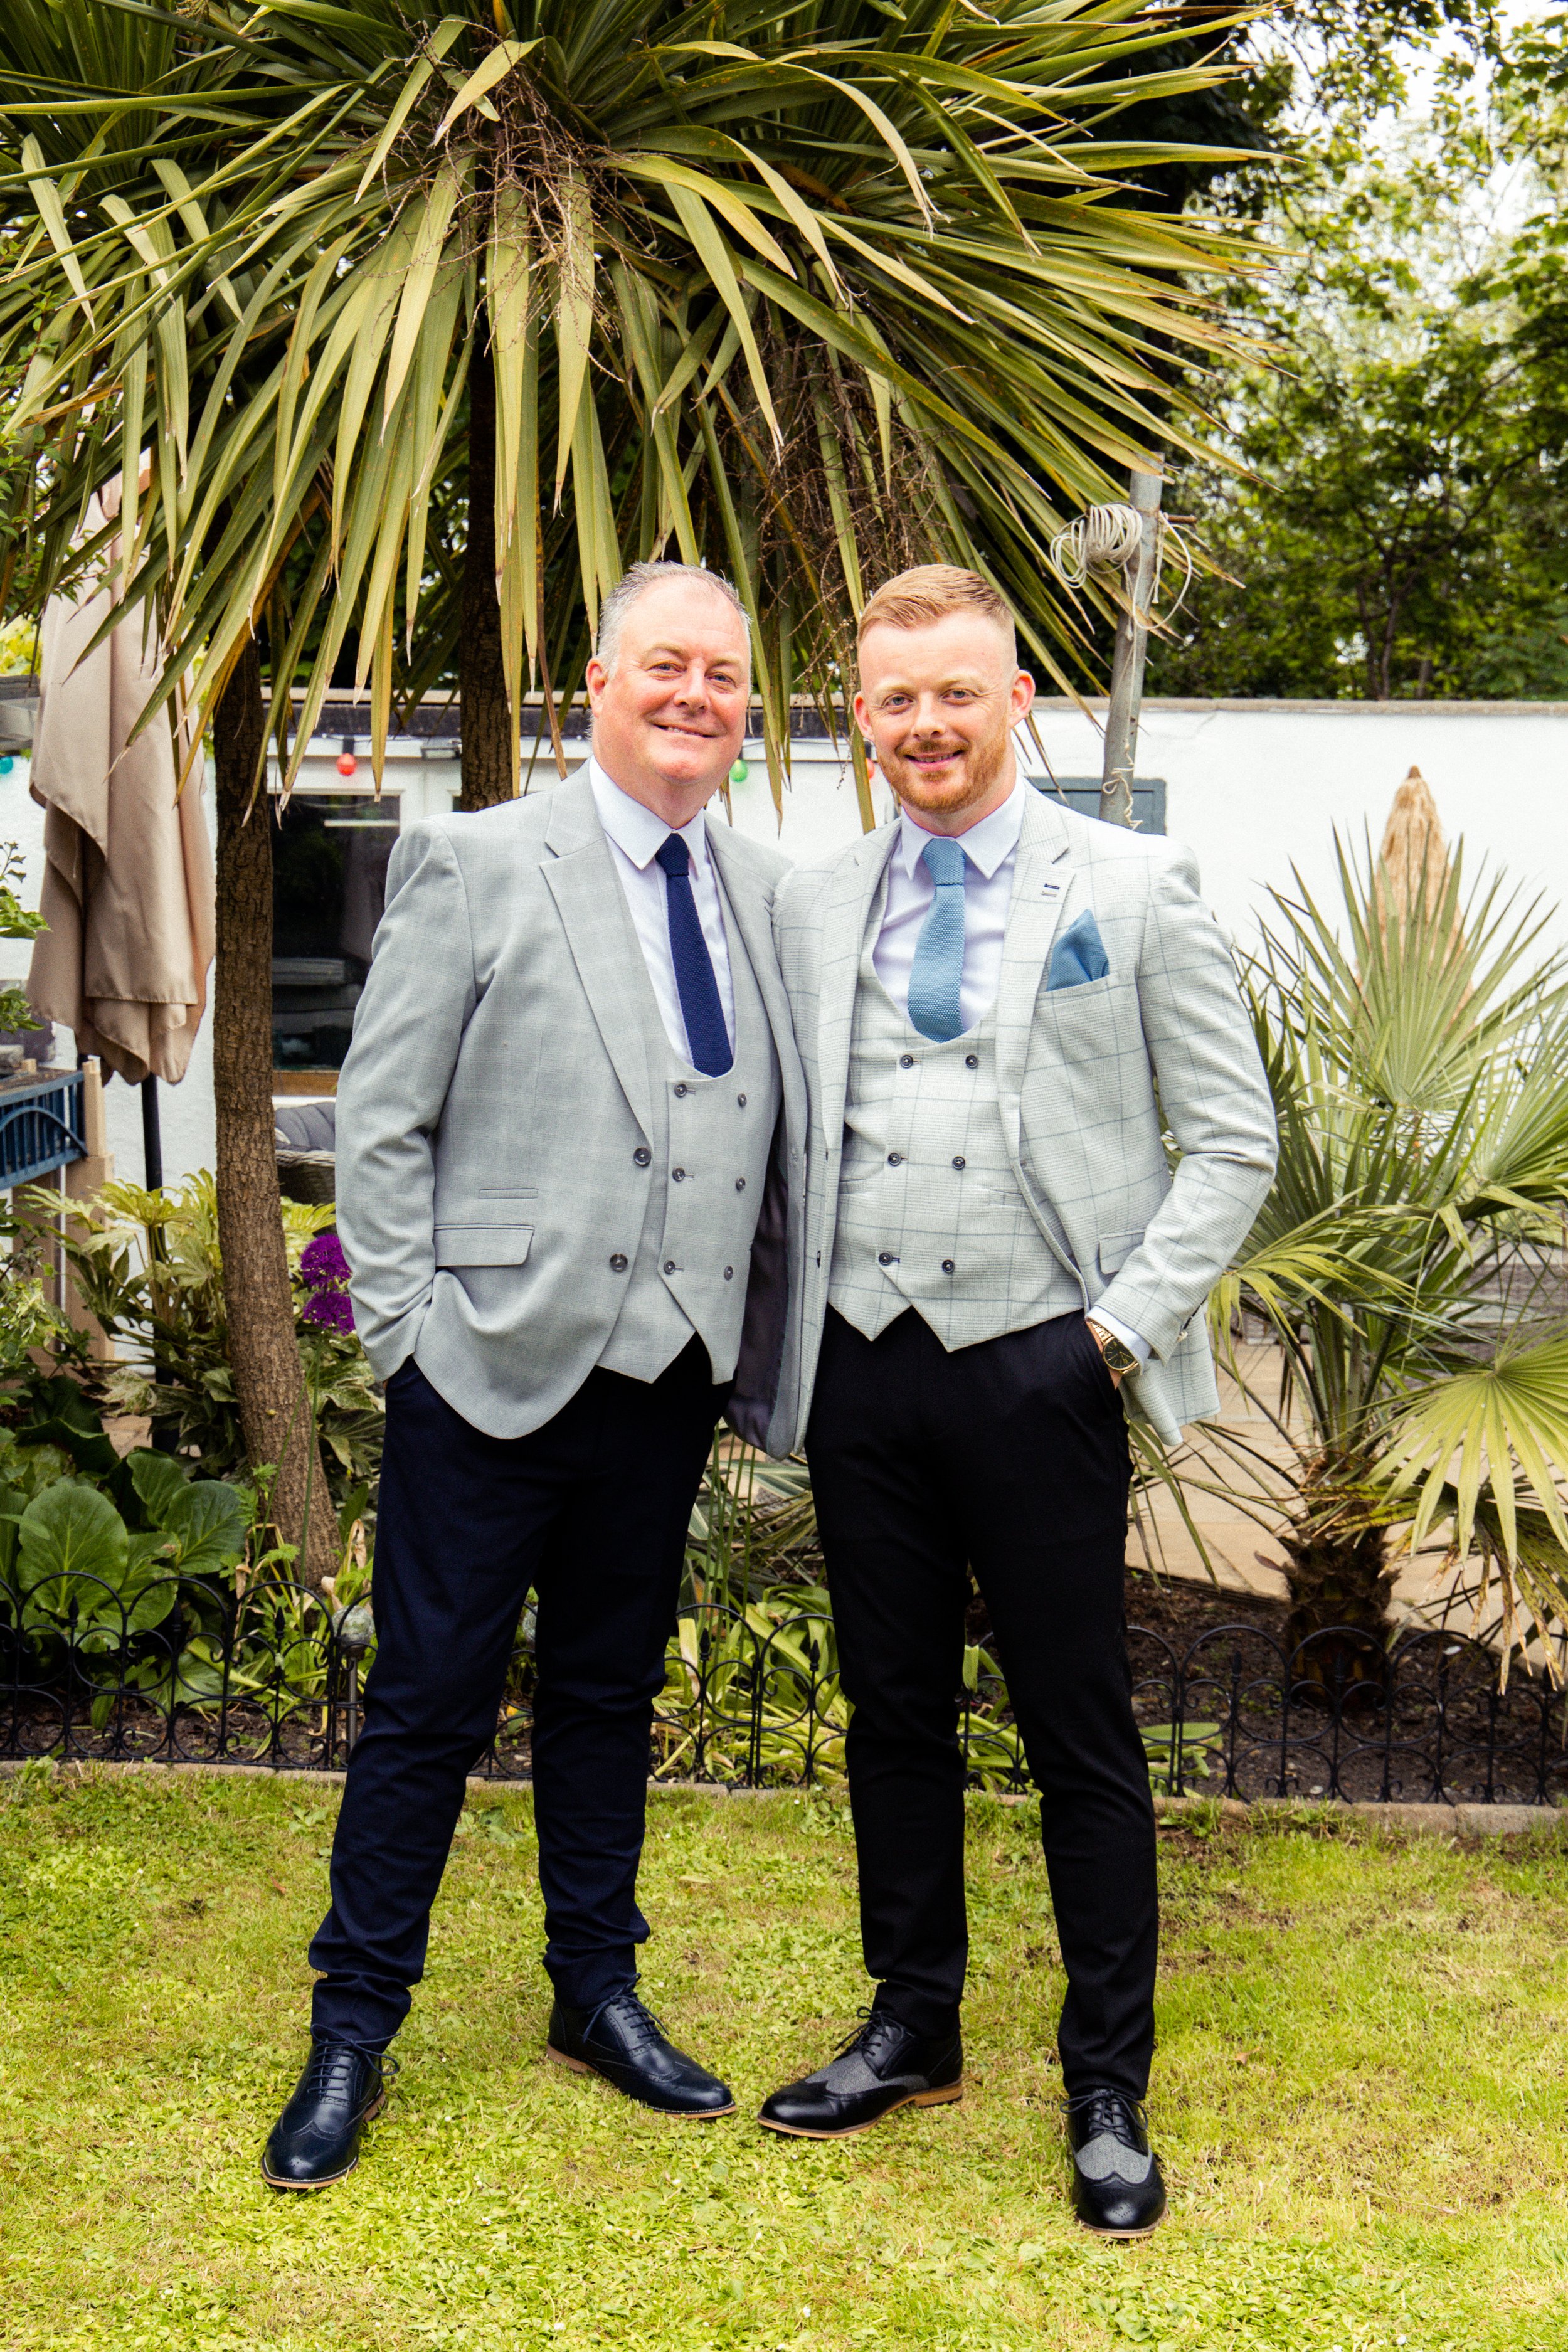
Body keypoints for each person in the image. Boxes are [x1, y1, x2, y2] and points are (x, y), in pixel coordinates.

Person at [263, 561, 807, 2191]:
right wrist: (414, 1331)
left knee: (603, 1697)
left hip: (666, 1377)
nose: (693, 693)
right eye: (664, 665)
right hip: (485, 1368)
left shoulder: (761, 892)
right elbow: (383, 1114)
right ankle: (352, 2027)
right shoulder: (479, 857)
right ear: (596, 681)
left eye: (721, 671)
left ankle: (596, 1991)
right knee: (426, 1705)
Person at [762, 566, 1276, 2237]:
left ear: (1016, 698)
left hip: (1043, 1361)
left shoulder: (1129, 886)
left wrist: (1109, 1336)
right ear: (862, 714)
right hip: (862, 1360)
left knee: (1078, 1733)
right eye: (895, 698)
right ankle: (910, 2024)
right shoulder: (814, 897)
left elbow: (1233, 1143)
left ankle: (1105, 2085)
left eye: (954, 694)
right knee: (890, 1710)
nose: (926, 725)